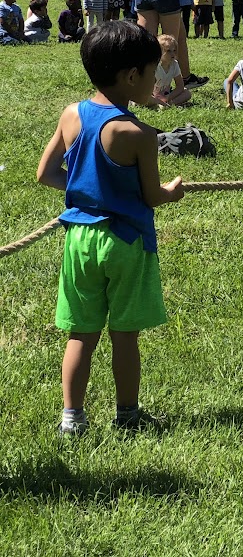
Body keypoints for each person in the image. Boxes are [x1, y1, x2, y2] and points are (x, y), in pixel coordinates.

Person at [35, 21, 185, 435]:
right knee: (124, 335)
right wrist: (173, 191)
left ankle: (72, 419)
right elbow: (152, 196)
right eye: (153, 71)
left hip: (80, 240)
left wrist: (86, 190)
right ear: (131, 76)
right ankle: (127, 415)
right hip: (126, 242)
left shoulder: (72, 114)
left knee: (81, 334)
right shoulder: (138, 133)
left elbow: (46, 173)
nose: (157, 78)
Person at [150, 34, 191, 107]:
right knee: (145, 98)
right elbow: (146, 87)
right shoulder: (155, 66)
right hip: (152, 94)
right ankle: (161, 104)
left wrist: (168, 97)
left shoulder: (174, 64)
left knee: (187, 93)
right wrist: (156, 97)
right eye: (168, 51)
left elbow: (180, 86)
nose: (172, 54)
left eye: (174, 50)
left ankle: (168, 104)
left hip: (166, 94)